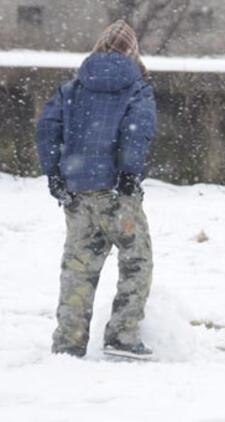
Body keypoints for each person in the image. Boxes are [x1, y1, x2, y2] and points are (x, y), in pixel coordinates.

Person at [35, 20, 157, 359]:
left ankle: (68, 342)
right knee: (136, 261)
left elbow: (47, 129)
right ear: (133, 51)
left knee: (78, 267)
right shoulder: (138, 86)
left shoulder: (72, 87)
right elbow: (137, 131)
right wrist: (128, 173)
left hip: (77, 192)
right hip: (117, 193)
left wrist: (55, 175)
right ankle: (122, 335)